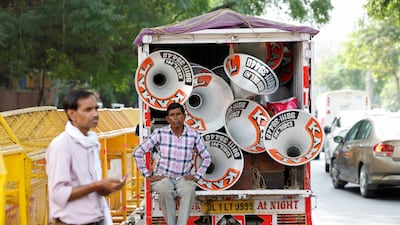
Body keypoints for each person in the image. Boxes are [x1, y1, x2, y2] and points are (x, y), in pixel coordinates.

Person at [46, 90, 125, 225]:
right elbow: (58, 194)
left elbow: (88, 186)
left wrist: (104, 188)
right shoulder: (61, 145)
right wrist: (96, 185)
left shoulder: (91, 141)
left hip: (95, 219)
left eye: (96, 109)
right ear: (72, 114)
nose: (95, 114)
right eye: (88, 110)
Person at [133, 103, 211, 225]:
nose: (175, 118)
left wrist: (197, 176)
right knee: (164, 189)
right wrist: (148, 175)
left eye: (178, 114)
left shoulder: (193, 135)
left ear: (184, 117)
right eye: (172, 115)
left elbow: (207, 157)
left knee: (189, 189)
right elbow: (138, 152)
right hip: (163, 176)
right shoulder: (160, 134)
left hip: (183, 177)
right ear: (167, 119)